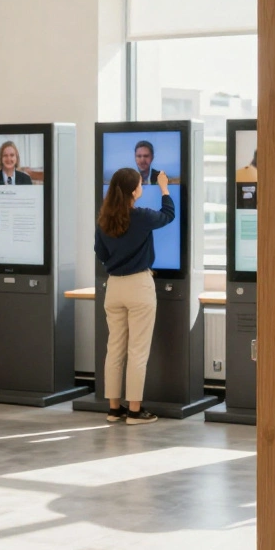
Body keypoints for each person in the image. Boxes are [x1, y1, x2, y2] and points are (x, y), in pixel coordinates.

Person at [94, 167, 174, 425]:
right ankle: (136, 412)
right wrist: (164, 188)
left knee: (114, 349)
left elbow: (102, 254)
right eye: (141, 183)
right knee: (138, 351)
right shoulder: (140, 217)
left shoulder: (104, 220)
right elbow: (168, 216)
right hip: (139, 285)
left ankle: (114, 409)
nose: (142, 187)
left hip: (114, 287)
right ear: (133, 191)